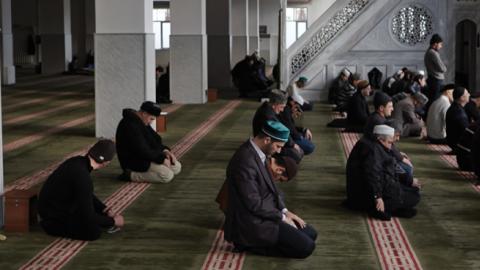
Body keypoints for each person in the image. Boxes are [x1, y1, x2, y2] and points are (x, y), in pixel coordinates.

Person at [224, 120, 317, 258]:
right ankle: (248, 245)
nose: (279, 151)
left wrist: (285, 211)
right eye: (278, 146)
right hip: (252, 222)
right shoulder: (244, 161)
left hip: (265, 213)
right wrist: (281, 217)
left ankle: (281, 239)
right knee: (307, 247)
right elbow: (253, 204)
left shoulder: (260, 153)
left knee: (311, 233)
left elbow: (273, 190)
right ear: (267, 140)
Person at [38, 139, 124, 241]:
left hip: (50, 207)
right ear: (106, 163)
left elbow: (85, 194)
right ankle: (51, 227)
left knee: (99, 218)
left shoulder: (76, 161)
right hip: (53, 216)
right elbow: (88, 215)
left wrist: (104, 209)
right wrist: (113, 221)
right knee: (93, 232)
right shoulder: (83, 177)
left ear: (90, 151)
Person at [345, 125, 421, 220]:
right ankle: (380, 209)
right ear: (380, 139)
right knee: (415, 196)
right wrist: (378, 197)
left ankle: (391, 207)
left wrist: (408, 180)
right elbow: (372, 175)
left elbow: (390, 168)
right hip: (364, 195)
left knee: (411, 190)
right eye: (389, 143)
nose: (391, 146)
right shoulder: (373, 151)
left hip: (366, 191)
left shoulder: (372, 144)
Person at [116, 101, 182, 183]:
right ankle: (130, 175)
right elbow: (142, 150)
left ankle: (155, 169)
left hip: (147, 156)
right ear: (144, 113)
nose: (151, 122)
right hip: (134, 161)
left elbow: (155, 139)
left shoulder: (142, 122)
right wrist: (161, 159)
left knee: (176, 167)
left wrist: (165, 151)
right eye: (151, 119)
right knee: (167, 175)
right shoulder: (129, 124)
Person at [252, 90, 304, 162]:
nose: (282, 110)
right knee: (297, 155)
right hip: (266, 145)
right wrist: (293, 145)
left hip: (270, 140)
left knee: (298, 152)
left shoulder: (267, 108)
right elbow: (279, 132)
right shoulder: (268, 115)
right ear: (275, 105)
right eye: (281, 107)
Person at [424, 34, 447, 111]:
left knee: (432, 99)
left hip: (432, 78)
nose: (441, 46)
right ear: (435, 44)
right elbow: (442, 68)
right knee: (435, 100)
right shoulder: (433, 53)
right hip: (436, 79)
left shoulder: (429, 51)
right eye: (440, 44)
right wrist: (444, 67)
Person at [446, 86, 470, 152]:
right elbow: (466, 132)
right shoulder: (459, 113)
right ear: (462, 98)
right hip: (459, 146)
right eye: (467, 93)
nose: (469, 94)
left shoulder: (454, 107)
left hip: (452, 143)